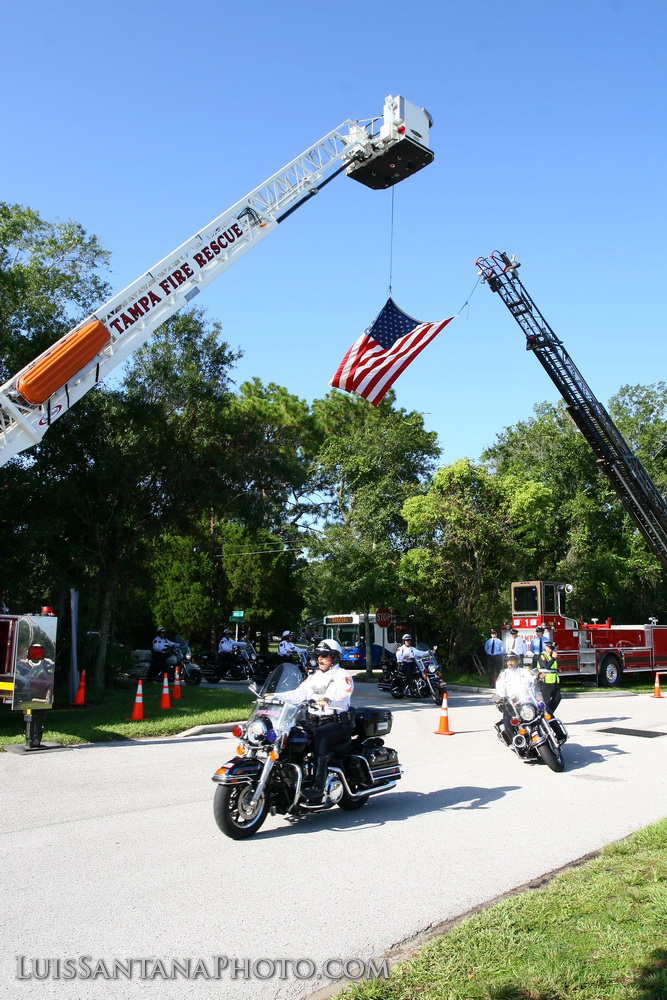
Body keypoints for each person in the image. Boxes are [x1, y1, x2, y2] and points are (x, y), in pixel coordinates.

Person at [271, 639, 353, 801]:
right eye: (318, 655)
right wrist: (275, 696)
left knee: (319, 736)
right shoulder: (314, 676)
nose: (320, 659)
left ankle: (318, 785)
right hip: (313, 722)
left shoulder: (342, 675)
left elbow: (344, 694)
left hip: (336, 724)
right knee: (291, 736)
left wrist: (328, 698)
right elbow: (298, 694)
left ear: (334, 657)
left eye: (325, 655)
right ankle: (289, 781)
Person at [494, 651, 536, 743]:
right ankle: (517, 742)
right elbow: (500, 689)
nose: (510, 662)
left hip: (526, 700)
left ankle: (559, 733)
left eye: (512, 660)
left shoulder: (524, 671)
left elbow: (532, 678)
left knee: (544, 712)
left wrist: (538, 677)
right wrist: (500, 697)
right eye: (508, 660)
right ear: (505, 662)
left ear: (517, 661)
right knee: (507, 723)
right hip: (511, 704)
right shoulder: (503, 675)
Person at [533, 641, 561, 715]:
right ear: (546, 647)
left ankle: (548, 714)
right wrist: (553, 658)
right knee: (546, 701)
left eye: (552, 649)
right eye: (549, 648)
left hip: (554, 681)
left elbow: (553, 668)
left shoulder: (552, 656)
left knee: (557, 698)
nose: (551, 650)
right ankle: (547, 715)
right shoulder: (542, 655)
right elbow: (546, 666)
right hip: (545, 682)